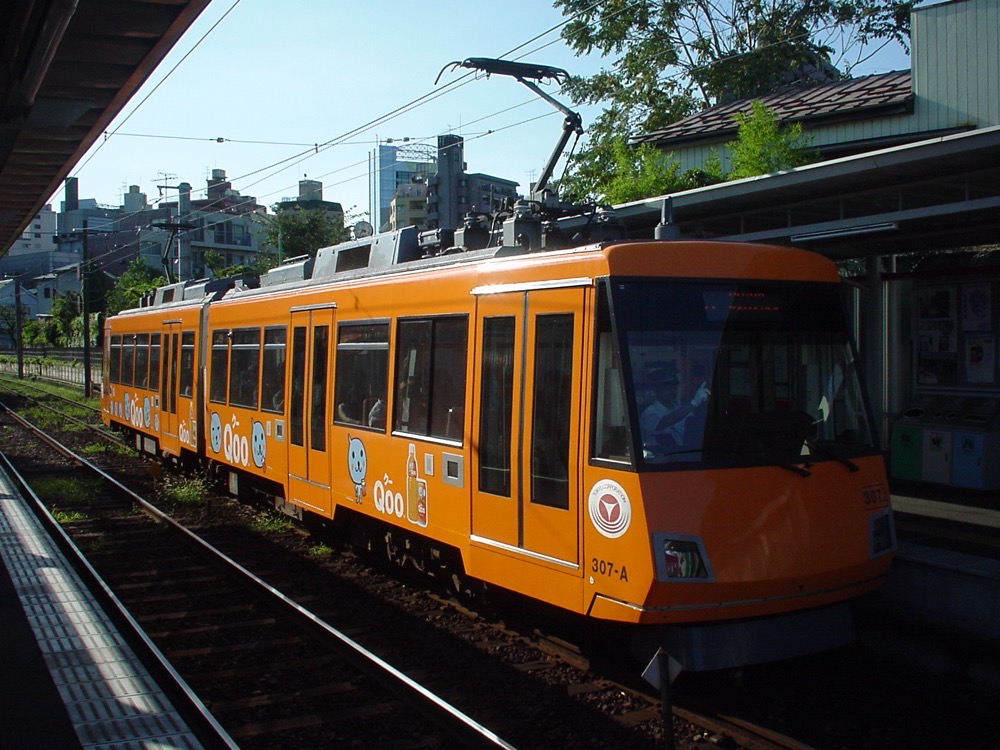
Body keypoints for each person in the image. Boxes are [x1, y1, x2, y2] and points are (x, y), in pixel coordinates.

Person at [640, 362, 710, 454]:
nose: (672, 390)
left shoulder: (681, 409)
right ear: (656, 390)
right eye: (667, 387)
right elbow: (664, 422)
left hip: (681, 455)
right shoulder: (649, 412)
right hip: (657, 459)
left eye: (674, 386)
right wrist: (694, 403)